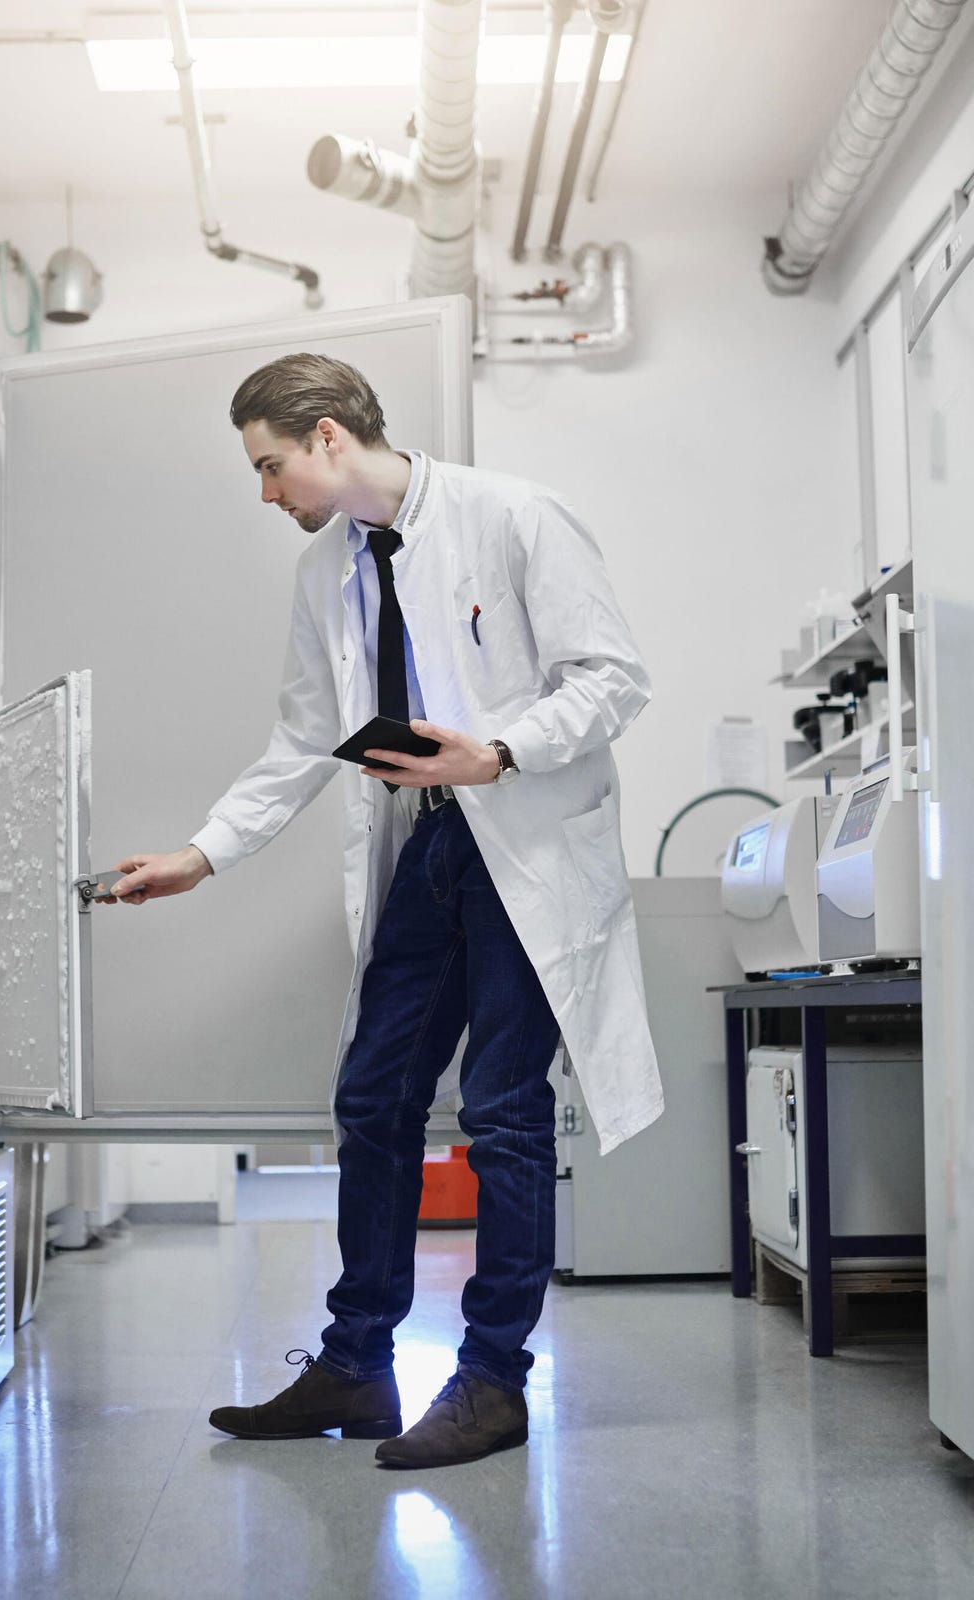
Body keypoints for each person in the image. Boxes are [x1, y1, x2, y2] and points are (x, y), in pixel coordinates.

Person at [100, 352, 663, 1469]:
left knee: (503, 1105)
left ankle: (493, 1379)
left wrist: (499, 750)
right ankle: (358, 1365)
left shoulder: (516, 517)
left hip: (525, 834)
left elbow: (613, 677)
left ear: (323, 438)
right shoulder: (327, 571)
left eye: (269, 466)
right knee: (374, 1092)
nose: (266, 492)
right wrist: (201, 855)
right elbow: (303, 738)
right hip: (435, 847)